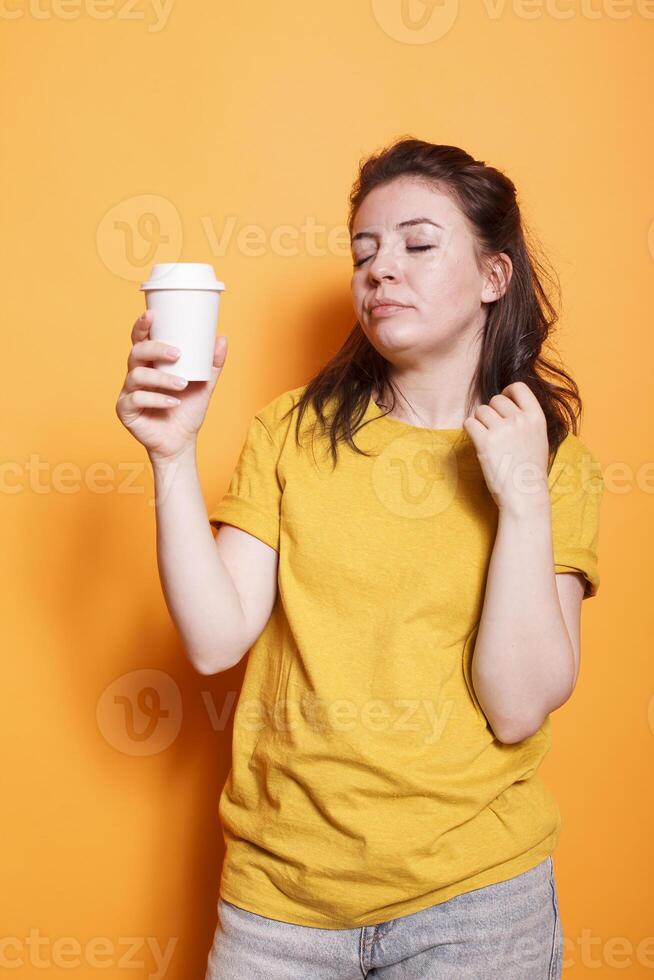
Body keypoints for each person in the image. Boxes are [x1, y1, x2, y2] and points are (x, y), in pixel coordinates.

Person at [115, 137, 605, 979]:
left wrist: (521, 497)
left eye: (418, 244)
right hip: (281, 902)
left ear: (495, 277)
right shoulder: (289, 433)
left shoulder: (550, 458)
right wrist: (171, 457)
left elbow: (518, 707)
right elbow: (214, 639)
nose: (382, 269)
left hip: (477, 903)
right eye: (365, 251)